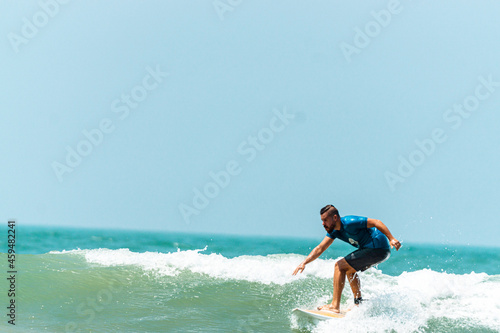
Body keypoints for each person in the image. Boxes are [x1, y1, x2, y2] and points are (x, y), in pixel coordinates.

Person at [292, 204, 401, 313]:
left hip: (378, 248)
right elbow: (320, 248)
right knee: (349, 269)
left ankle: (335, 306)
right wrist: (304, 263)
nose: (323, 224)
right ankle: (358, 303)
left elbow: (377, 222)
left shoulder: (350, 222)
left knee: (339, 266)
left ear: (335, 218)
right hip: (376, 250)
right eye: (322, 220)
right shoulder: (334, 231)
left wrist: (391, 238)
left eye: (325, 220)